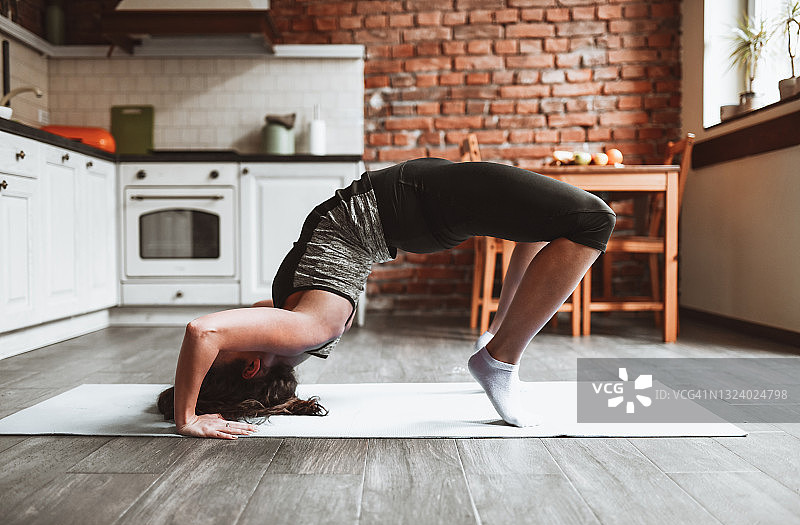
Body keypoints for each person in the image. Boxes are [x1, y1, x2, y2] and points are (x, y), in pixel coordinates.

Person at [157, 157, 616, 438]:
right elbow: (203, 332)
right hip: (409, 205)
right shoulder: (308, 329)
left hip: (402, 202)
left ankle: (495, 337)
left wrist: (201, 396)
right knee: (593, 221)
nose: (240, 329)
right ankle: (499, 358)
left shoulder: (286, 323)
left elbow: (222, 333)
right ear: (253, 365)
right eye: (226, 356)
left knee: (547, 225)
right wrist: (188, 418)